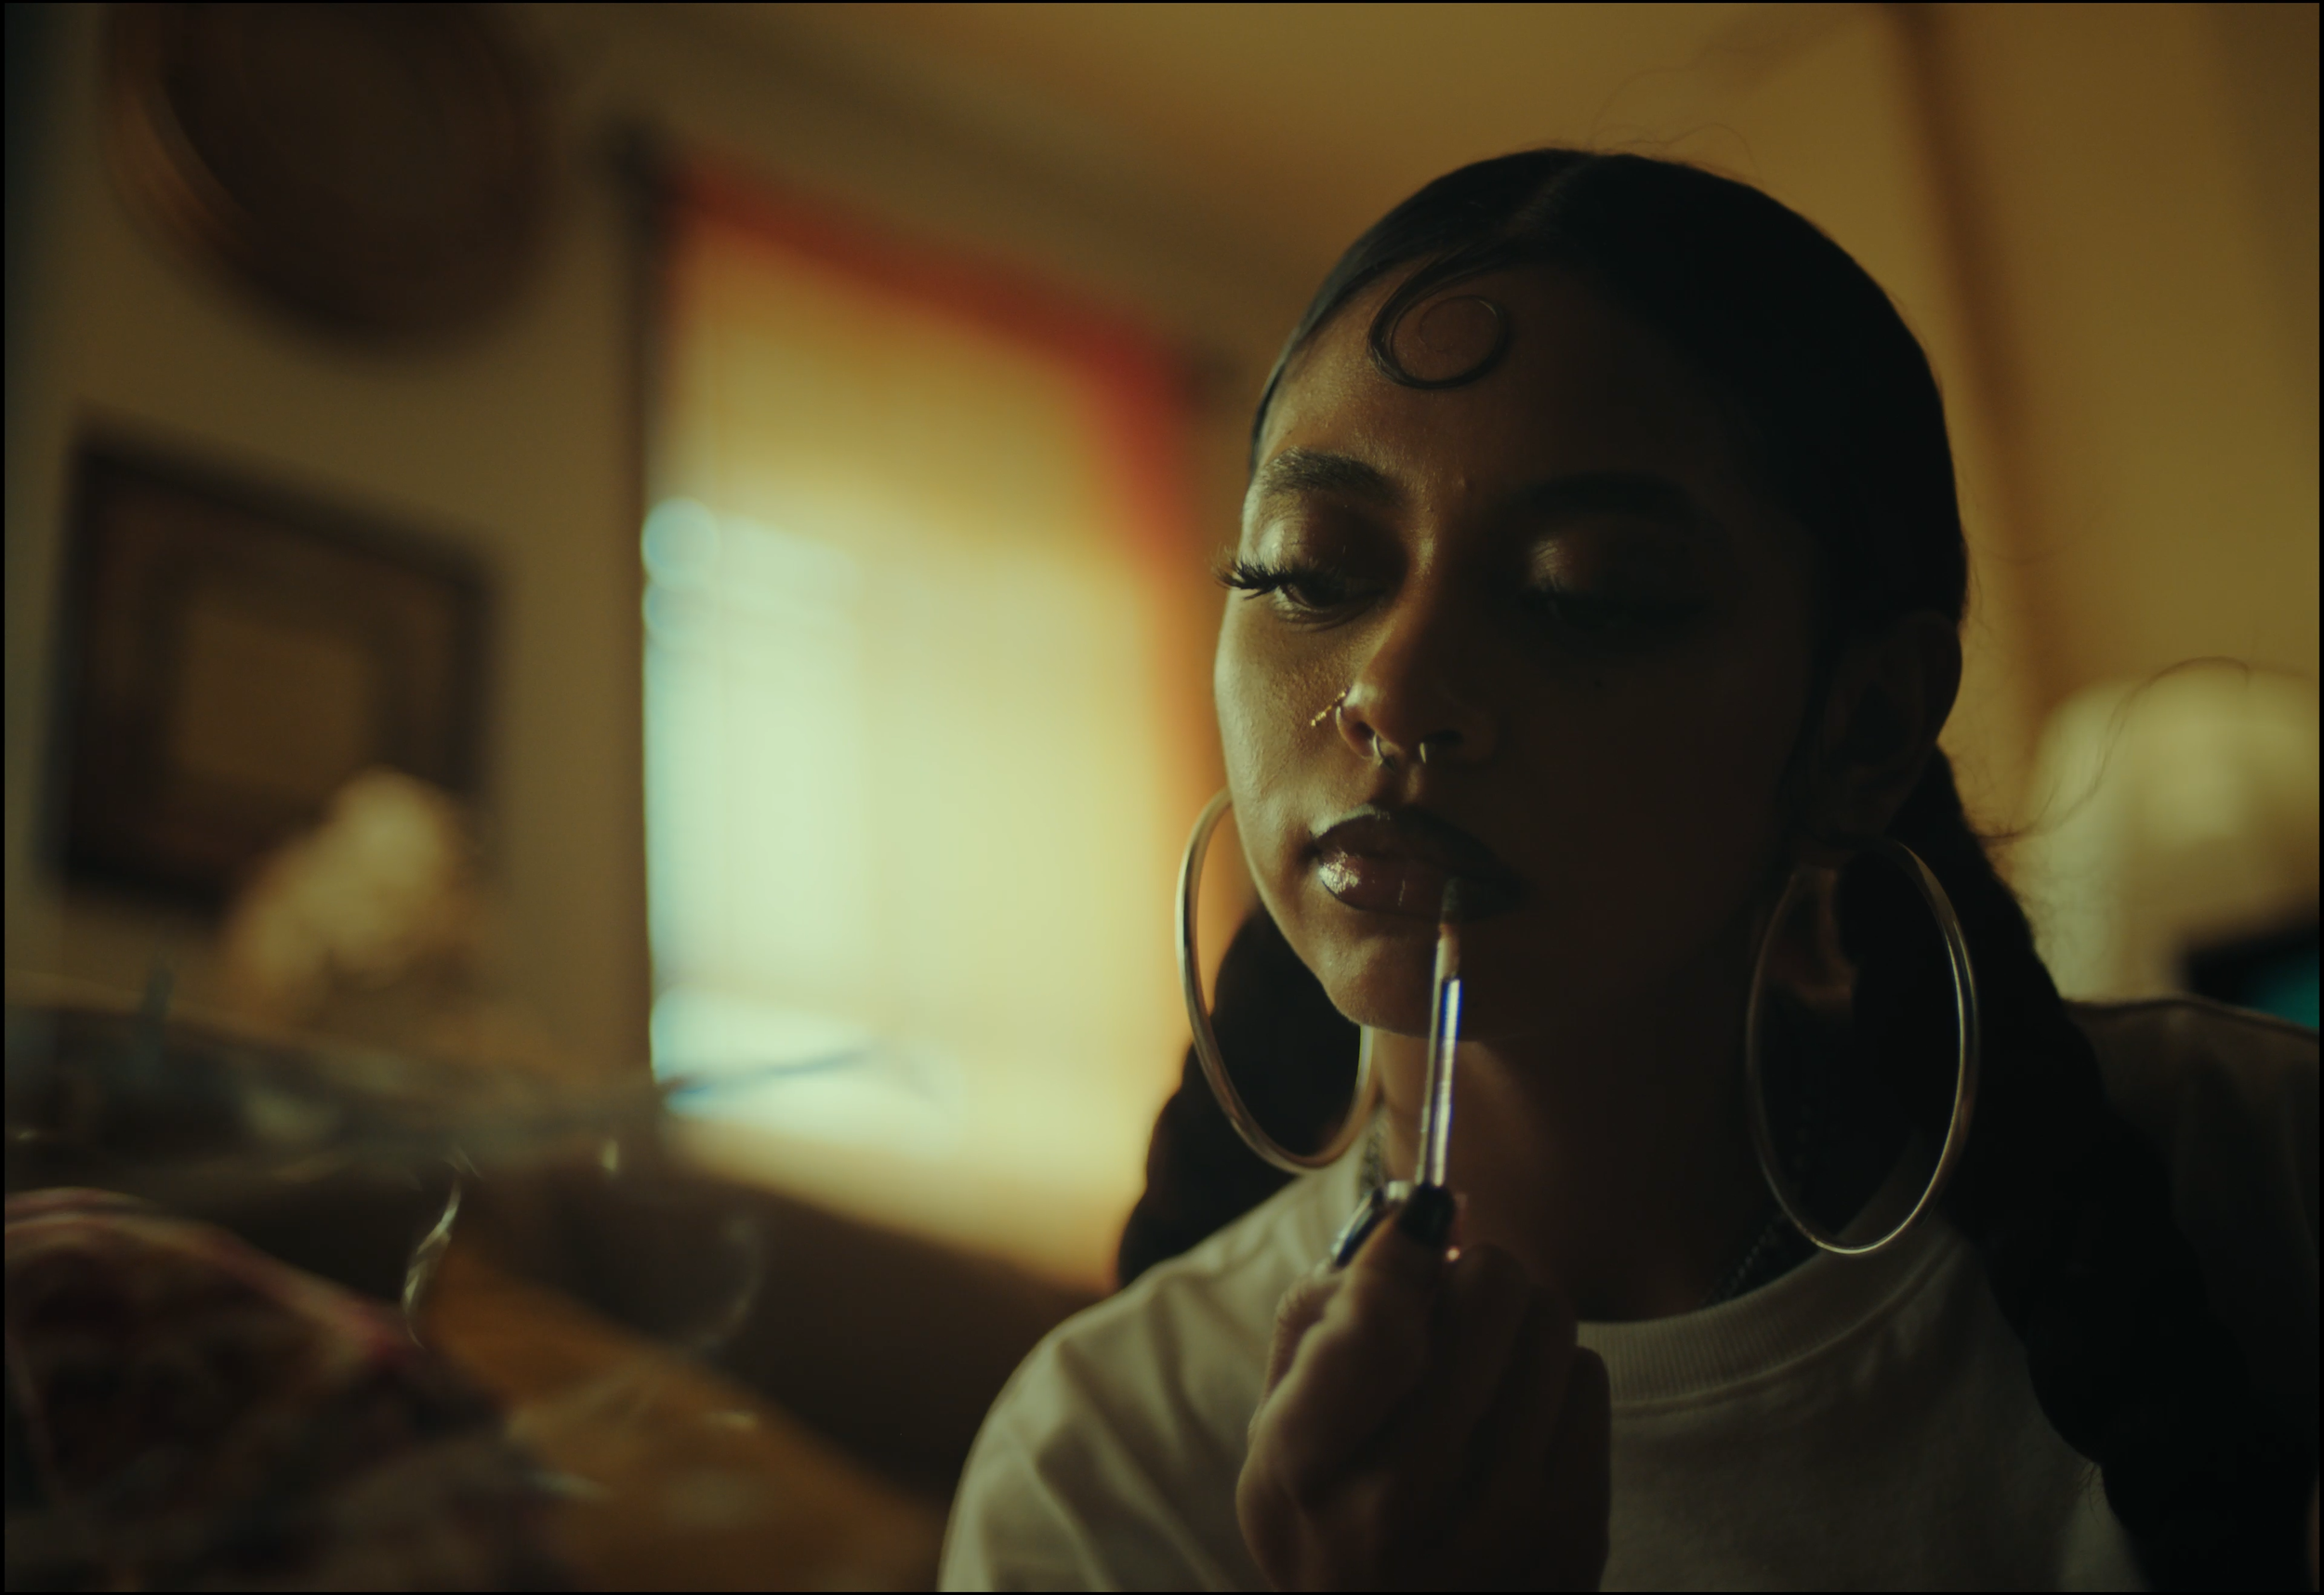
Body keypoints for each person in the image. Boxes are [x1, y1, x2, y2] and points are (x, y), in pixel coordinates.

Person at [937, 150, 2319, 1590]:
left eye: (1588, 594)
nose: (1397, 688)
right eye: (1308, 572)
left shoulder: (2264, 1183)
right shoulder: (1098, 1467)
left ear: (1864, 727)